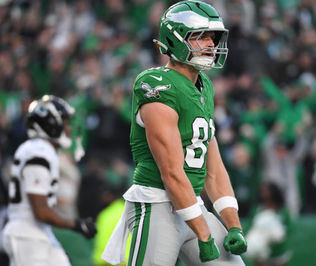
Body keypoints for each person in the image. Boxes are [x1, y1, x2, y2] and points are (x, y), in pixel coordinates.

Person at [102, 1, 247, 265]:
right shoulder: (156, 85)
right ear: (175, 39)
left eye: (212, 37)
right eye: (200, 36)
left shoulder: (205, 87)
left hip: (193, 205)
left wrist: (233, 223)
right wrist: (203, 232)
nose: (211, 44)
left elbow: (213, 169)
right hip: (157, 204)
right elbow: (171, 171)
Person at [2, 95, 97, 266]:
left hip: (38, 231)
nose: (68, 128)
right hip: (26, 234)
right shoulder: (39, 152)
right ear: (50, 124)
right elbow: (41, 211)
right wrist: (75, 224)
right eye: (65, 122)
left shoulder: (39, 149)